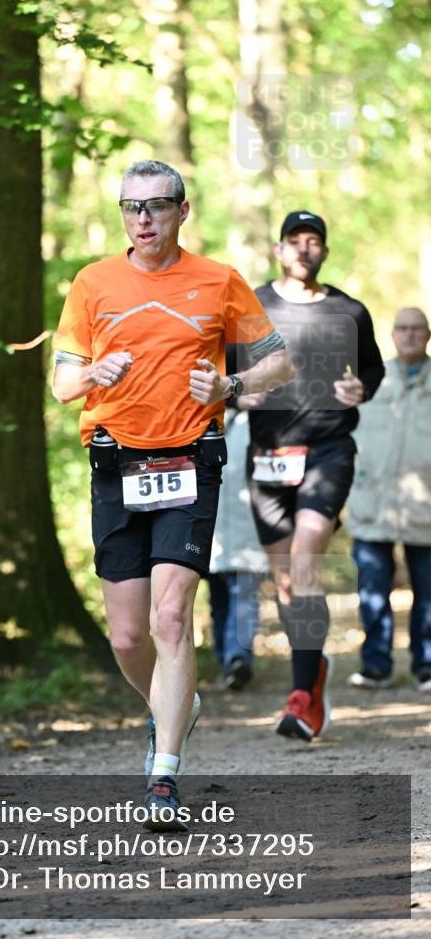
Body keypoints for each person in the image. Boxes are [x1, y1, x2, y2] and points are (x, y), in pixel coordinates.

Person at [52, 160, 294, 828]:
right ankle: (175, 705)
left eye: (157, 205)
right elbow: (62, 385)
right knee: (129, 636)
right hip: (115, 463)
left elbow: (279, 362)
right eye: (131, 207)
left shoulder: (218, 280)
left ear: (182, 211)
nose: (143, 219)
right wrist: (94, 373)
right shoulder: (93, 282)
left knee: (169, 619)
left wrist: (230, 387)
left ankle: (163, 774)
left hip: (191, 459)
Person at [238, 210, 384, 742]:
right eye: (294, 240)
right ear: (279, 250)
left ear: (324, 251)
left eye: (314, 241)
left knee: (305, 562)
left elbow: (373, 368)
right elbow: (226, 371)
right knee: (285, 579)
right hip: (268, 456)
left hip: (328, 450)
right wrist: (239, 393)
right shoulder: (251, 306)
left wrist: (361, 389)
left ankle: (302, 698)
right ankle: (312, 668)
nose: (304, 248)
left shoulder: (349, 311)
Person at [346, 307, 431, 690]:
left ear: (428, 335)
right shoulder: (371, 381)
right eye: (403, 328)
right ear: (393, 335)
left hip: (425, 507)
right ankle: (376, 666)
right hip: (372, 502)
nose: (409, 334)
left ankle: (426, 665)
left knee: (428, 592)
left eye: (417, 329)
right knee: (372, 591)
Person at [207, 399, 269, 690]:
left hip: (249, 529)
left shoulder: (262, 424)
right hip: (211, 531)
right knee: (218, 600)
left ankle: (238, 658)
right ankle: (225, 660)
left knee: (244, 594)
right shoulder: (205, 420)